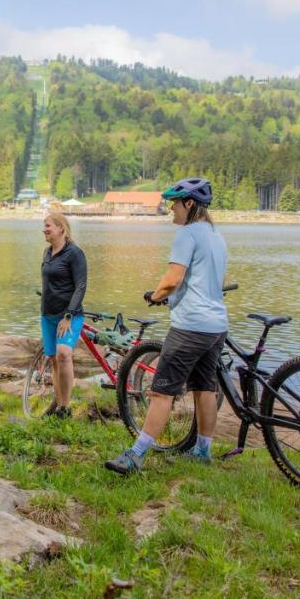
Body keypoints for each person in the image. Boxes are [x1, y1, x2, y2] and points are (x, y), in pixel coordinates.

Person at [105, 177, 227, 474]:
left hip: (190, 327)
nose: (171, 209)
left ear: (189, 204)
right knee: (204, 388)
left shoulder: (188, 234)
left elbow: (172, 279)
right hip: (216, 326)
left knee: (162, 392)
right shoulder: (216, 236)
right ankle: (202, 452)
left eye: (175, 203)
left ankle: (136, 455)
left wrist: (156, 295)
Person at [39, 211, 87, 418]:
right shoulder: (47, 252)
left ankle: (66, 408)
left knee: (64, 354)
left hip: (68, 315)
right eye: (44, 225)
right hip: (47, 314)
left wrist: (68, 315)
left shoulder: (74, 253)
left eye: (48, 225)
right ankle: (59, 404)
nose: (44, 229)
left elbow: (81, 285)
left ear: (61, 228)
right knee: (53, 359)